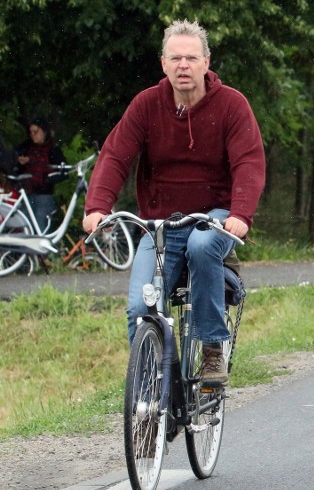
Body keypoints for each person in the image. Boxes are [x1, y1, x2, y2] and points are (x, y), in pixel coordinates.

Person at [83, 19, 266, 388]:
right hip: (161, 222)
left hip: (214, 215)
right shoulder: (146, 105)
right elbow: (116, 155)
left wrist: (240, 214)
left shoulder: (231, 105)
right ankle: (154, 391)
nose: (184, 65)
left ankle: (213, 346)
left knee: (202, 245)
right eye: (176, 58)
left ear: (206, 62)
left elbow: (248, 162)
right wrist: (97, 208)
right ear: (163, 64)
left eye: (191, 58)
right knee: (140, 308)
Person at [11, 119, 67, 232]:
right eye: (31, 132)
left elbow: (63, 171)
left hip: (44, 194)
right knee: (24, 225)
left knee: (41, 226)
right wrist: (19, 161)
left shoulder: (52, 149)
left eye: (36, 132)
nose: (33, 135)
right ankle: (23, 249)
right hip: (26, 192)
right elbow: (13, 158)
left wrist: (47, 178)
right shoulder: (26, 146)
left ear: (44, 132)